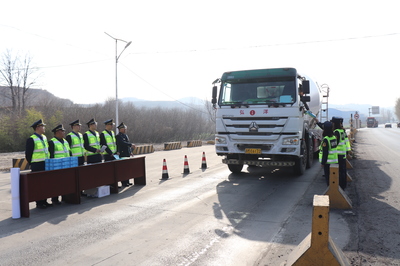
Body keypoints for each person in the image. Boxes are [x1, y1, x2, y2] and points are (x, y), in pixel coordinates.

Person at [25, 119, 52, 209]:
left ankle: (45, 200)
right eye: (42, 126)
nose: (44, 128)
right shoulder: (31, 139)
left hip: (46, 163)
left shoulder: (44, 137)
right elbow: (28, 154)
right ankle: (39, 202)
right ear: (37, 127)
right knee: (38, 184)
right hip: (37, 164)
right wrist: (32, 163)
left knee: (46, 183)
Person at [48, 124, 70, 204]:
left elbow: (68, 153)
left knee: (64, 183)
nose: (64, 132)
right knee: (56, 184)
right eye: (62, 131)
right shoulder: (52, 142)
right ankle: (55, 199)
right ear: (57, 132)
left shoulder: (65, 141)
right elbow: (51, 155)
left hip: (66, 165)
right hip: (57, 166)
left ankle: (64, 197)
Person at [331, 117, 351, 190]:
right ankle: (343, 185)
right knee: (343, 170)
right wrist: (347, 151)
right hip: (343, 154)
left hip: (338, 155)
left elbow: (334, 144)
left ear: (334, 123)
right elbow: (346, 142)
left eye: (332, 123)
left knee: (339, 171)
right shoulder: (342, 131)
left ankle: (340, 186)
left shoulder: (336, 132)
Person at [116, 122, 136, 186]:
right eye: (124, 129)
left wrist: (130, 152)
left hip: (127, 153)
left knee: (127, 168)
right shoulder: (118, 136)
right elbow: (122, 143)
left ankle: (127, 181)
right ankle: (123, 182)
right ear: (120, 129)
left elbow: (128, 144)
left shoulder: (126, 135)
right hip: (122, 153)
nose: (125, 130)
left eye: (125, 128)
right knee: (123, 169)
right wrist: (130, 145)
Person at [319, 121, 338, 186]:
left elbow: (325, 152)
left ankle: (330, 193)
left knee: (328, 179)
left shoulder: (326, 140)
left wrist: (323, 163)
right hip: (334, 160)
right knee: (333, 178)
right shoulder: (333, 137)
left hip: (328, 162)